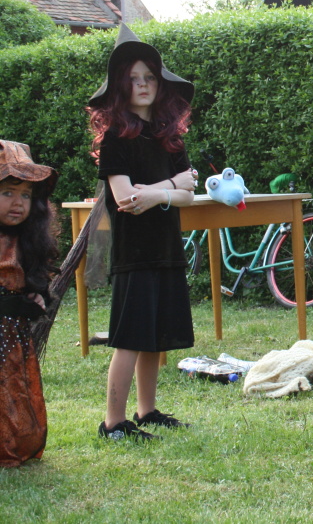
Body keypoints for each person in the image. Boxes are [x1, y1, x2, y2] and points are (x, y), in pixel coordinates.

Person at [88, 24, 200, 440]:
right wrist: (170, 187)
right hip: (133, 253)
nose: (142, 85)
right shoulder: (116, 139)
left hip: (166, 247)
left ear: (160, 84)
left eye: (149, 77)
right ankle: (113, 422)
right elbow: (125, 198)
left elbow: (189, 196)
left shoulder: (170, 138)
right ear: (121, 86)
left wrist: (158, 193)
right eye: (134, 78)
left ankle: (147, 410)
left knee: (155, 337)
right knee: (131, 338)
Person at [0, 141, 59, 467]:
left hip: (12, 340)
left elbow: (32, 279)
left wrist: (37, 295)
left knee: (13, 393)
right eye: (8, 192)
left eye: (25, 195)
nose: (17, 203)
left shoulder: (28, 238)